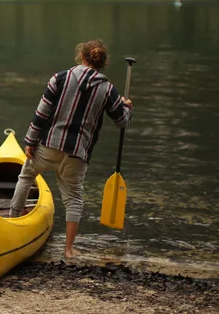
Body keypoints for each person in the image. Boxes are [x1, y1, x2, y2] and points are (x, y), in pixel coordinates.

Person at [9, 39, 133, 259]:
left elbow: (42, 112)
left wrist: (30, 140)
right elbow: (122, 122)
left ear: (82, 57)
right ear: (102, 63)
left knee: (26, 175)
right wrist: (126, 107)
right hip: (77, 154)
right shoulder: (108, 90)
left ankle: (12, 221)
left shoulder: (60, 78)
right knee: (74, 198)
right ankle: (68, 250)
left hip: (48, 145)